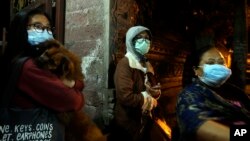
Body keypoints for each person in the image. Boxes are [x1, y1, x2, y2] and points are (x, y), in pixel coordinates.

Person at [0, 8, 84, 139]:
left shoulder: (20, 61)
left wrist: (73, 83)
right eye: (37, 26)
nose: (45, 32)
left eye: (48, 28)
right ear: (21, 29)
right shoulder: (29, 67)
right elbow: (74, 101)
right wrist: (73, 85)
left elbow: (77, 82)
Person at [176, 44, 250, 141]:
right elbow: (197, 126)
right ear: (196, 70)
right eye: (210, 63)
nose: (218, 66)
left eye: (221, 62)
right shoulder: (189, 95)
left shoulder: (235, 91)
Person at [111, 25, 164, 141]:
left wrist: (155, 92)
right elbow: (125, 97)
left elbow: (153, 88)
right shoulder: (125, 64)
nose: (144, 41)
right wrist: (147, 97)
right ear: (131, 41)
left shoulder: (146, 64)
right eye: (140, 38)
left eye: (147, 38)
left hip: (145, 121)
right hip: (128, 124)